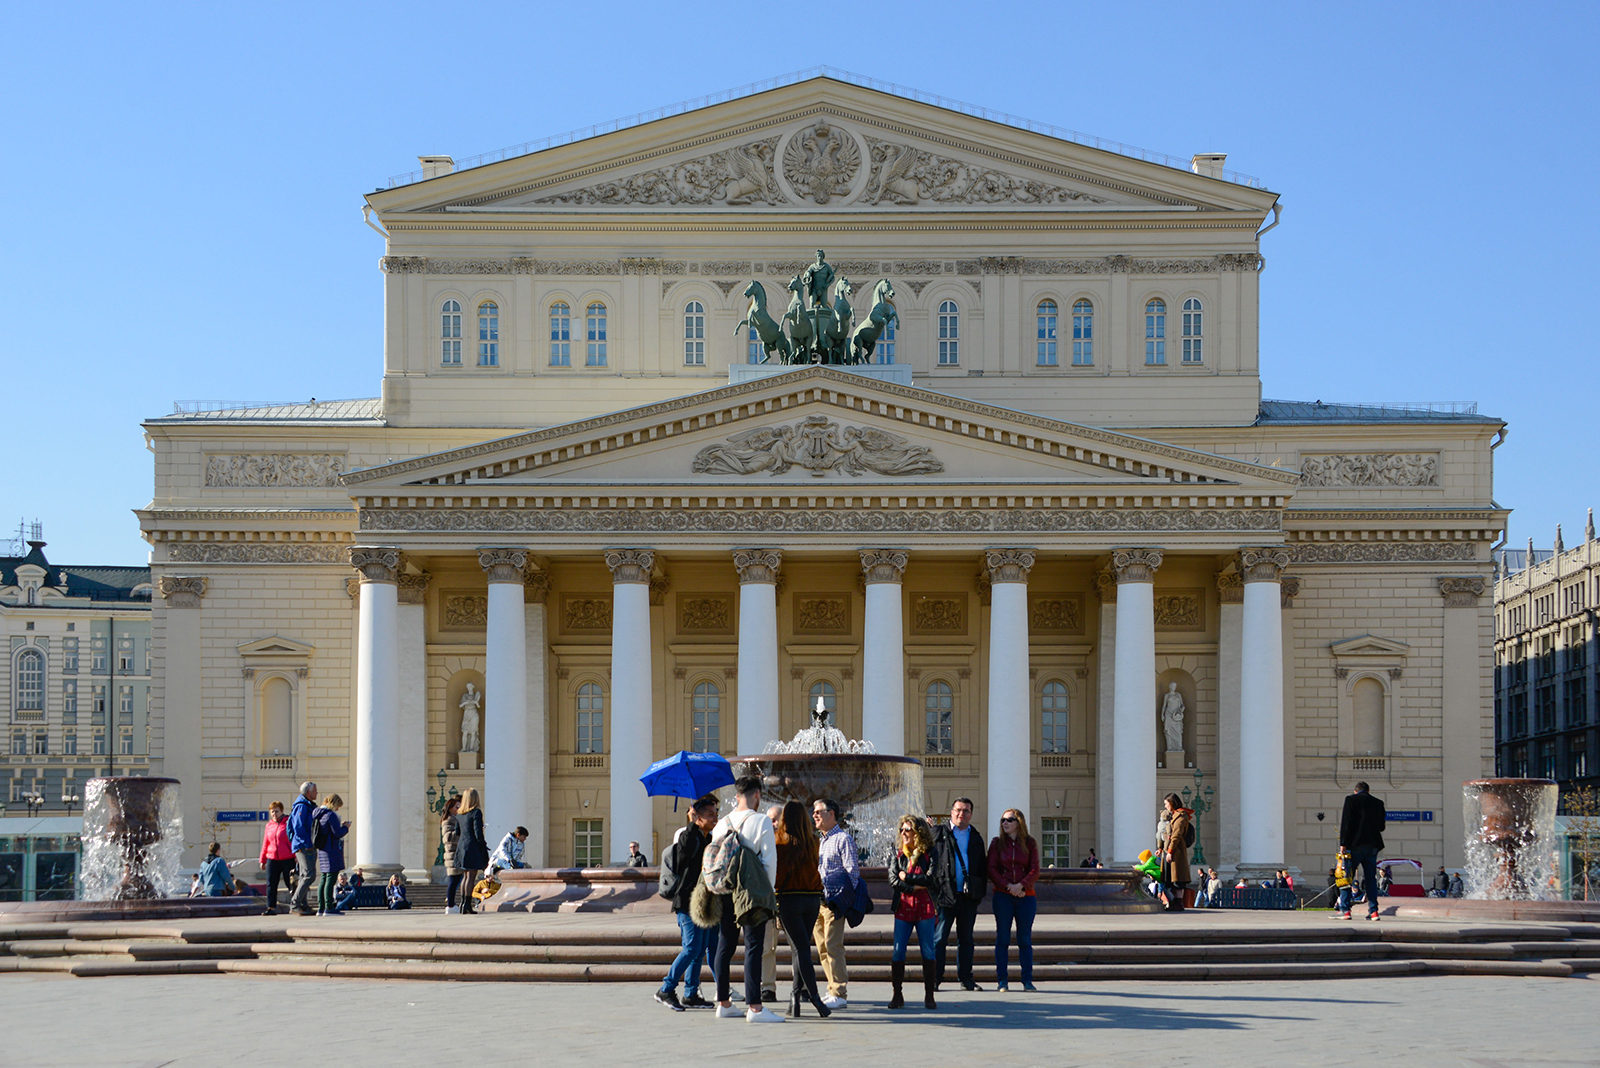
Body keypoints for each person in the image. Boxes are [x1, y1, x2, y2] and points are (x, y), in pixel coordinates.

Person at [710, 775, 783, 1023]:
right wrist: (768, 892)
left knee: (725, 944)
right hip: (751, 892)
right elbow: (769, 861)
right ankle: (755, 1007)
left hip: (725, 890)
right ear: (757, 796)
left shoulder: (721, 823)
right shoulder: (761, 821)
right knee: (753, 946)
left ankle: (723, 1002)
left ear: (737, 795)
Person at [654, 794, 719, 1011]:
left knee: (699, 950)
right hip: (687, 903)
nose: (715, 817)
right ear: (697, 817)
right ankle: (666, 988)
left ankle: (691, 993)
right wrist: (691, 824)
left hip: (702, 902)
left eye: (715, 813)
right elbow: (682, 859)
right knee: (691, 948)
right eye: (710, 814)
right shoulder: (688, 836)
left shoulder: (707, 838)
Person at [773, 799, 830, 1018]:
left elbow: (776, 875)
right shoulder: (814, 841)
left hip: (789, 901)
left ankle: (814, 997)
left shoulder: (779, 841)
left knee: (801, 950)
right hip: (811, 900)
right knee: (801, 949)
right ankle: (795, 999)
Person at [932, 797, 989, 992]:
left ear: (971, 814)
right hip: (944, 895)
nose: (961, 814)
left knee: (966, 939)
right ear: (951, 812)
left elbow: (982, 867)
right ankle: (935, 979)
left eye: (965, 811)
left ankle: (966, 978)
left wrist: (977, 893)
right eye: (958, 810)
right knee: (939, 939)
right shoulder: (939, 833)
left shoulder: (976, 837)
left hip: (967, 897)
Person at [887, 815, 940, 1010]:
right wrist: (913, 886)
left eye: (907, 830)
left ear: (918, 832)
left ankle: (929, 995)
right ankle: (897, 994)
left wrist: (907, 877)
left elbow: (931, 879)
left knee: (928, 949)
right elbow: (893, 880)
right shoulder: (897, 853)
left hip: (925, 906)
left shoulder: (930, 852)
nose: (903, 833)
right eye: (902, 829)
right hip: (903, 906)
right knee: (898, 951)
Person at [987, 808, 1040, 991]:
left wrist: (1022, 885)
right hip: (1003, 896)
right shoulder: (996, 844)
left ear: (1019, 822)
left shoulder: (1030, 843)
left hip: (1026, 896)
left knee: (1024, 939)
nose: (1005, 823)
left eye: (1009, 819)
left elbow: (1035, 869)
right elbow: (991, 869)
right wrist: (1008, 886)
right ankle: (1002, 980)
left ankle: (1027, 980)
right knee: (1002, 938)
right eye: (1003, 820)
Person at [812, 797, 856, 1011]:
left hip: (834, 902)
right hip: (818, 902)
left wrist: (843, 900)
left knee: (833, 945)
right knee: (821, 946)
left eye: (819, 811)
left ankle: (840, 991)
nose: (815, 815)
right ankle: (832, 988)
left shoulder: (842, 839)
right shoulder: (820, 840)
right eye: (814, 812)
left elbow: (852, 872)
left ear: (832, 814)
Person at [1337, 781, 1387, 921]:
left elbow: (1346, 823)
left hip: (1354, 845)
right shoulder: (1378, 803)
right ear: (1368, 791)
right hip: (1372, 845)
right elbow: (1381, 827)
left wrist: (1343, 844)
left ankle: (1345, 910)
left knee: (1346, 876)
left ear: (1355, 791)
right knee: (1371, 879)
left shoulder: (1350, 800)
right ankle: (1373, 912)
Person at [312, 794, 350, 916]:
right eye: (338, 806)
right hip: (332, 849)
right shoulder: (331, 815)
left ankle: (321, 907)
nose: (338, 809)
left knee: (323, 878)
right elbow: (337, 833)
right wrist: (345, 827)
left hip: (322, 849)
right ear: (334, 803)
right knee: (331, 878)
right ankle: (329, 907)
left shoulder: (319, 814)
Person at [454, 788, 489, 915]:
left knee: (465, 876)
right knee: (471, 876)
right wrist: (483, 846)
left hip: (462, 847)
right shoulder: (476, 813)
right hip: (472, 847)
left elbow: (457, 832)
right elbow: (478, 834)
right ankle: (467, 905)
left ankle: (463, 904)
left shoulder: (460, 814)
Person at [287, 781, 319, 916]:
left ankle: (303, 905)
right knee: (308, 875)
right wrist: (308, 844)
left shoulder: (307, 805)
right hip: (303, 846)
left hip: (304, 845)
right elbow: (299, 827)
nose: (317, 793)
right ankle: (295, 904)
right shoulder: (302, 806)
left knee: (303, 876)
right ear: (308, 792)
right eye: (315, 791)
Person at [1157, 793, 1193, 911]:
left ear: (1172, 803)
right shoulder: (1173, 816)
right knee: (1170, 879)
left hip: (1176, 852)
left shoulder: (1181, 816)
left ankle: (1178, 903)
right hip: (1169, 851)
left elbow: (1176, 835)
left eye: (1166, 803)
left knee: (1177, 878)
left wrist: (1170, 851)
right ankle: (1173, 902)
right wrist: (1161, 848)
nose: (1165, 806)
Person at [258, 801, 294, 913]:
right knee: (271, 884)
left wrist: (296, 855)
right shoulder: (269, 825)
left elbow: (293, 840)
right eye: (272, 811)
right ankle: (271, 907)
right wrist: (262, 860)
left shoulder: (288, 822)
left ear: (282, 811)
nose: (274, 813)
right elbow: (265, 843)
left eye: (276, 811)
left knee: (291, 883)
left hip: (287, 858)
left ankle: (296, 904)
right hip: (272, 858)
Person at [440, 795, 463, 914]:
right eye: (456, 807)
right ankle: (450, 905)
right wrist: (460, 829)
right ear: (450, 808)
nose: (459, 809)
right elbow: (448, 837)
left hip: (456, 853)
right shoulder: (449, 820)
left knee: (458, 880)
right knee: (453, 881)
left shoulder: (455, 819)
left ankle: (452, 903)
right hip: (452, 855)